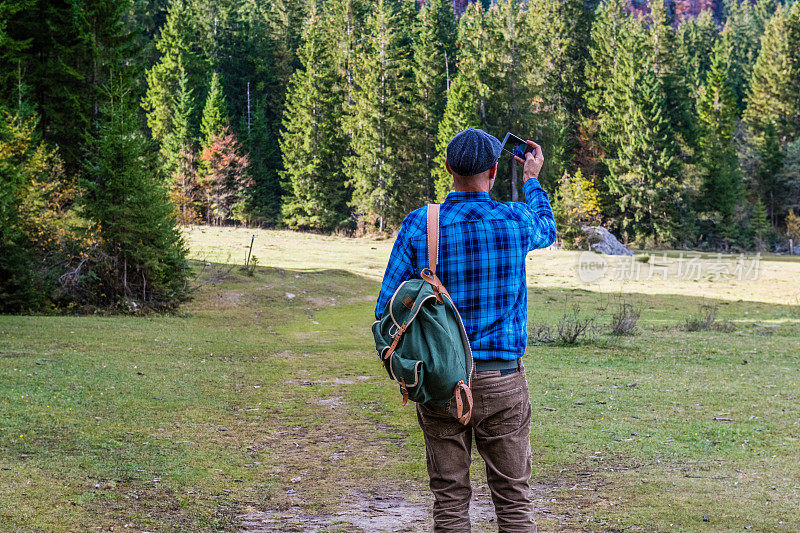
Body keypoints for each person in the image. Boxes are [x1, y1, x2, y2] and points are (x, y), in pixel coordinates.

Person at [374, 128, 557, 532]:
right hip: (503, 380)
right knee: (513, 500)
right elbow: (548, 226)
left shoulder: (422, 223)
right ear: (494, 170)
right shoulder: (515, 218)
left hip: (440, 379)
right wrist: (531, 179)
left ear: (447, 168)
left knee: (450, 500)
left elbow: (386, 310)